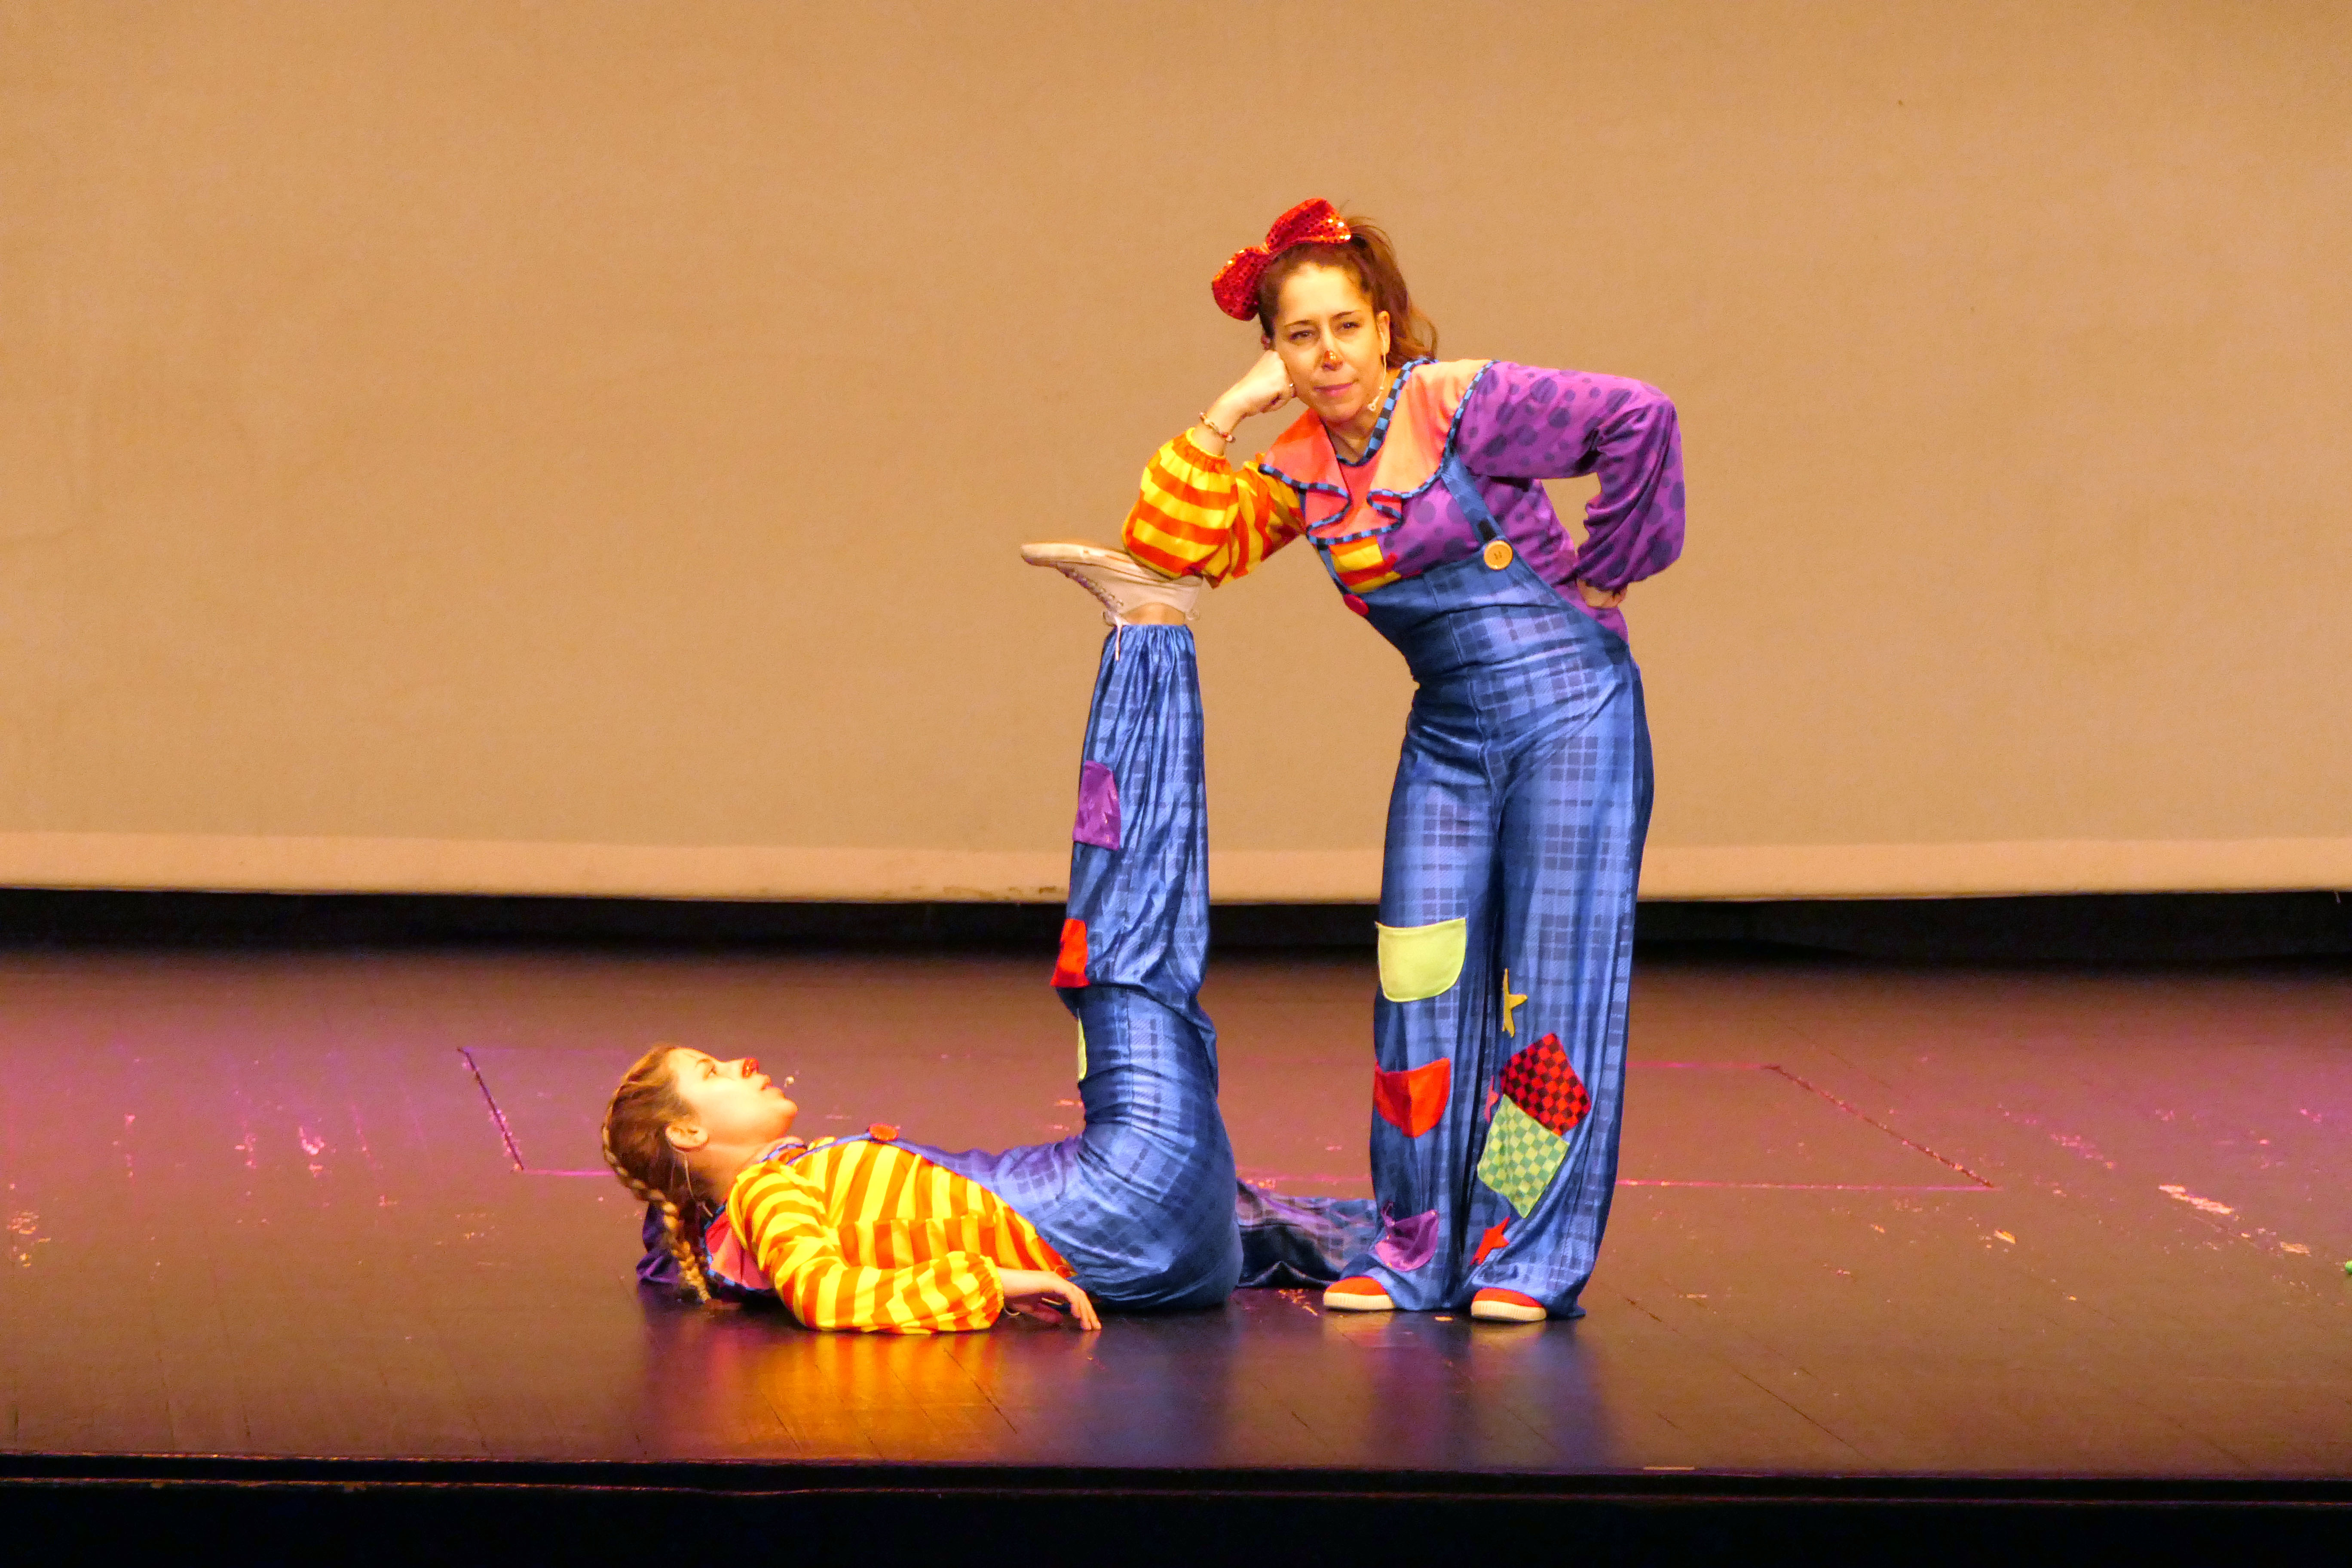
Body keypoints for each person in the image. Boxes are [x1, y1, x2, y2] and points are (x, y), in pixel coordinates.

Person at [1122, 199, 1685, 1323]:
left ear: (1383, 325)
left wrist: (1612, 566)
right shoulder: (1298, 467)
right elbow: (1170, 543)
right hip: (1452, 736)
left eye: (1346, 326)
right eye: (1300, 337)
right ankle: (1415, 1243)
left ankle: (1521, 1250)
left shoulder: (1459, 403)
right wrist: (1228, 412)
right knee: (1416, 984)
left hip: (1572, 715)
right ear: (1275, 354)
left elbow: (1641, 417)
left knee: (1553, 992)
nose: (1328, 354)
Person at [601, 552, 1377, 1332]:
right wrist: (994, 1281)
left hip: (1165, 1252)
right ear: (688, 1132)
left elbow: (677, 1251)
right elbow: (826, 1295)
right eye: (711, 1072)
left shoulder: (749, 1211)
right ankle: (1151, 626)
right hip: (1124, 1200)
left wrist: (677, 1225)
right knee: (1121, 950)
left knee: (1266, 1211)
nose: (741, 1063)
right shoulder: (765, 1194)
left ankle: (1448, 1242)